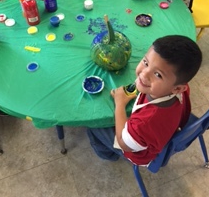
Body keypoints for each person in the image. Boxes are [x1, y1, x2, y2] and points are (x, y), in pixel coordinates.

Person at [87, 35, 202, 166]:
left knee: (94, 125)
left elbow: (123, 143)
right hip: (163, 130)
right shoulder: (181, 90)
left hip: (138, 153)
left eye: (158, 74)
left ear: (177, 88)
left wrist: (120, 103)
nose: (144, 74)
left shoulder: (144, 124)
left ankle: (108, 154)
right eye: (146, 63)